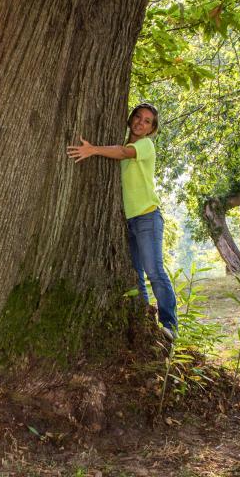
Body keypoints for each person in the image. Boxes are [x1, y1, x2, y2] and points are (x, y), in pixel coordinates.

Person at [66, 103, 178, 341]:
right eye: (138, 117)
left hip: (147, 216)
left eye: (147, 121)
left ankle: (169, 326)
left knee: (154, 272)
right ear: (131, 119)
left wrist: (92, 149)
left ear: (151, 129)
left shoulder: (145, 146)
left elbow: (123, 152)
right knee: (136, 274)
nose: (141, 122)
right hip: (129, 221)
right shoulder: (126, 143)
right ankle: (146, 322)